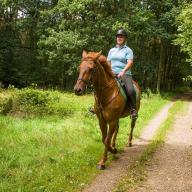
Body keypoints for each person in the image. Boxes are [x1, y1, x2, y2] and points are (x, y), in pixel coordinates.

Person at [107, 28, 137, 119]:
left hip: (125, 74)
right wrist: (109, 71)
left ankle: (133, 109)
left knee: (131, 90)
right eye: (118, 36)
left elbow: (130, 62)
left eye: (121, 36)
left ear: (125, 38)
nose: (119, 38)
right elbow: (108, 62)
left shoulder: (128, 50)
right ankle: (97, 107)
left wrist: (123, 71)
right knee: (100, 85)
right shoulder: (112, 50)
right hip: (111, 73)